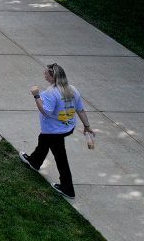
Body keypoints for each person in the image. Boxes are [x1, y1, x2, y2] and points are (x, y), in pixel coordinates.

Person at [22, 63, 94, 199]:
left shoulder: (50, 93)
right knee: (43, 142)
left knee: (60, 157)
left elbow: (46, 111)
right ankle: (34, 161)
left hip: (54, 131)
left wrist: (36, 96)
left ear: (52, 77)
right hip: (67, 127)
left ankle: (68, 189)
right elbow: (80, 109)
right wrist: (87, 126)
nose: (44, 75)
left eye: (46, 74)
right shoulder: (72, 89)